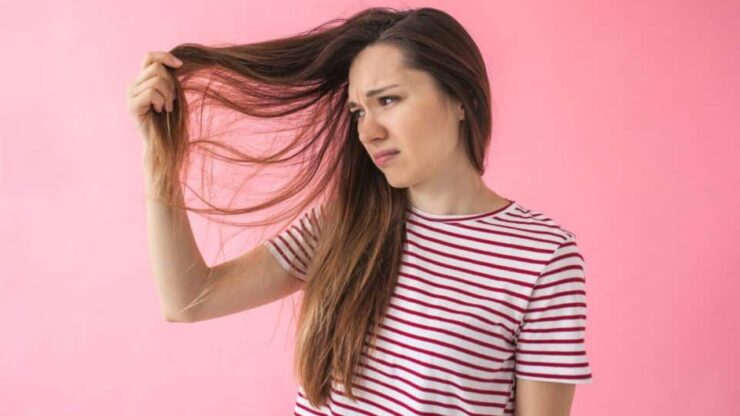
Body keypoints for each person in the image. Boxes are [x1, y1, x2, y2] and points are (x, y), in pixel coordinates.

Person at [125, 6, 593, 415]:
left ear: (460, 98)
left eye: (387, 100)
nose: (368, 131)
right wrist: (159, 158)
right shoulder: (342, 225)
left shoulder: (542, 258)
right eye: (357, 112)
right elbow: (189, 299)